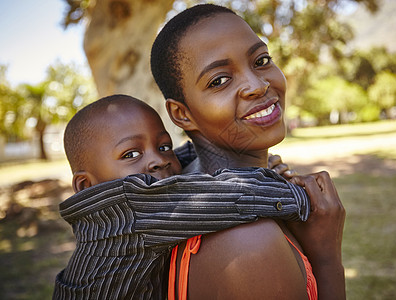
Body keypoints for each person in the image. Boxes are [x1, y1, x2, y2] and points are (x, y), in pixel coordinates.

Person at [150, 4, 345, 300]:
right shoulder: (247, 242)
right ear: (182, 114)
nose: (258, 85)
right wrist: (327, 255)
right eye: (219, 80)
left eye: (261, 60)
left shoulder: (195, 185)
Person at [53, 94, 311, 299]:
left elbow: (189, 162)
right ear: (86, 185)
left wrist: (254, 167)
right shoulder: (126, 212)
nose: (158, 160)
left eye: (164, 146)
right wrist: (295, 195)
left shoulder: (140, 198)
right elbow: (228, 198)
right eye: (131, 154)